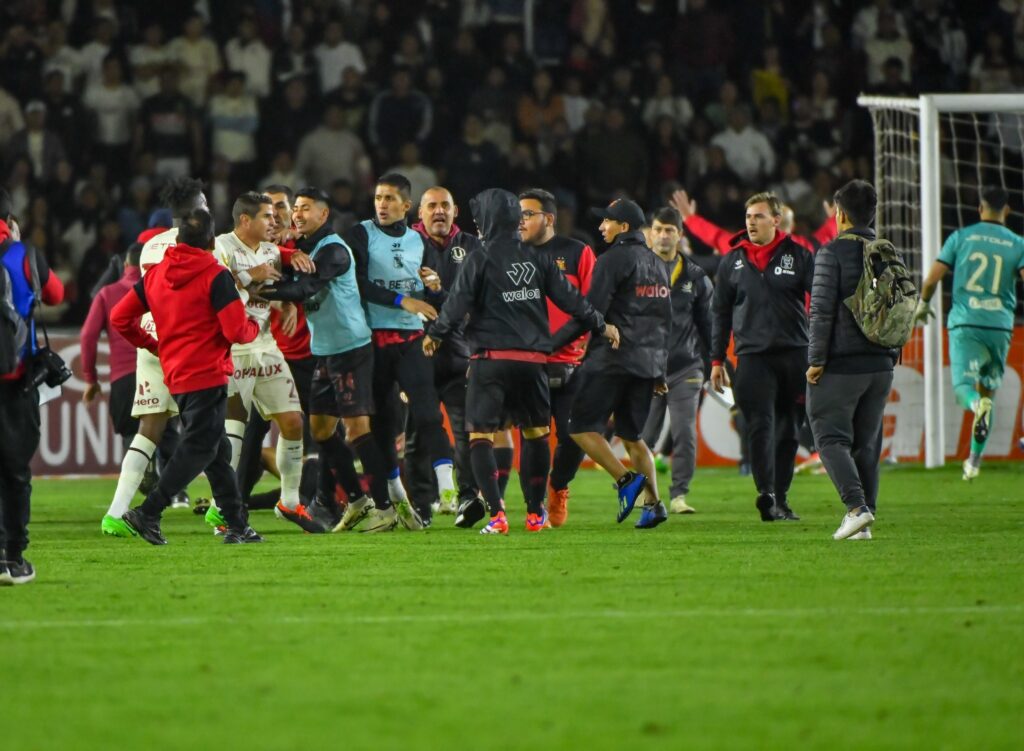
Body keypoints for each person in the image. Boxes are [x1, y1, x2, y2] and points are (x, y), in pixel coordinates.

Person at [423, 188, 616, 535]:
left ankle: (497, 515)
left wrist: (435, 334)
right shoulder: (538, 258)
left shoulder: (479, 257)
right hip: (533, 364)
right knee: (537, 435)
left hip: (491, 361)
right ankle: (534, 513)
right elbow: (574, 302)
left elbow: (456, 305)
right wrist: (601, 324)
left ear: (488, 219)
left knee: (480, 436)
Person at [110, 208, 262, 545]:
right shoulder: (215, 274)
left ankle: (237, 524)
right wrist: (254, 327)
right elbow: (236, 329)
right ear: (210, 240)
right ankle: (148, 512)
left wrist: (152, 345)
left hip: (176, 374)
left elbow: (120, 317)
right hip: (207, 374)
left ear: (177, 239)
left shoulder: (156, 274)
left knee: (217, 451)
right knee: (199, 447)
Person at [258, 187, 391, 533]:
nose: (298, 214)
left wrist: (251, 287)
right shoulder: (306, 248)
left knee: (358, 429)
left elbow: (304, 290)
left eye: (305, 208)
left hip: (351, 349)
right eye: (296, 208)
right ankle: (358, 502)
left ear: (324, 214)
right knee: (320, 430)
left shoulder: (333, 250)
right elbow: (286, 269)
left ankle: (385, 507)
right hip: (325, 351)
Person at [343, 173, 454, 532]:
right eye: (378, 198)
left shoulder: (418, 241)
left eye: (390, 199)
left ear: (407, 206)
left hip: (409, 338)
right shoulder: (361, 234)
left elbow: (426, 293)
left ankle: (448, 491)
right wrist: (400, 299)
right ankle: (397, 499)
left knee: (427, 412)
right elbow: (356, 282)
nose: (382, 204)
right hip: (371, 341)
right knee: (382, 426)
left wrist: (434, 289)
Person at [555, 198, 673, 529]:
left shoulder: (611, 260)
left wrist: (551, 345)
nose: (600, 227)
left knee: (579, 427)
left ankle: (625, 480)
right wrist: (660, 369)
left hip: (612, 360)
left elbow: (590, 312)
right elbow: (666, 321)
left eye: (606, 221)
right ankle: (654, 504)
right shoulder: (658, 264)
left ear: (623, 227)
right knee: (633, 436)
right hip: (647, 363)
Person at [101, 177, 206, 538]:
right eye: (204, 203)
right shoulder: (207, 246)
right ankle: (227, 513)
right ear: (196, 211)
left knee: (149, 429)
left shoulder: (149, 248)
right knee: (215, 428)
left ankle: (115, 512)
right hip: (190, 343)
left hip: (153, 342)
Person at [710, 192, 814, 522]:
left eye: (758, 216)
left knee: (789, 430)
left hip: (795, 355)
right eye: (748, 217)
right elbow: (720, 313)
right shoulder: (732, 261)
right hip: (752, 358)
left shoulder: (799, 255)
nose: (751, 222)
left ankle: (781, 497)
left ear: (776, 220)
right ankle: (766, 494)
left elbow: (821, 303)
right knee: (760, 425)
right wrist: (716, 360)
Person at [806, 180, 900, 541]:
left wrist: (816, 359)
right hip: (881, 365)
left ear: (839, 213)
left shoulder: (831, 253)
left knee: (830, 438)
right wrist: (892, 354)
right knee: (866, 443)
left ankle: (857, 509)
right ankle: (865, 520)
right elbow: (899, 307)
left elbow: (821, 311)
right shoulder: (888, 251)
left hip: (842, 365)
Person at [209, 192, 308, 531]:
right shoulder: (221, 246)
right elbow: (216, 288)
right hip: (232, 348)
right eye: (267, 216)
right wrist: (251, 273)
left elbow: (264, 291)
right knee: (233, 430)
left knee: (293, 421)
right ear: (245, 220)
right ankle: (222, 509)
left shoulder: (271, 251)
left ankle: (290, 502)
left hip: (266, 346)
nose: (275, 221)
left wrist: (286, 304)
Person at [915, 186, 1024, 480]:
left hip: (966, 323)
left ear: (980, 208)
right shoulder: (1018, 243)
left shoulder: (961, 237)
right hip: (1000, 326)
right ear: (1007, 211)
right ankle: (973, 463)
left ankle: (978, 406)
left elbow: (931, 279)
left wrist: (923, 304)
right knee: (989, 387)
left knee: (966, 389)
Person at [517, 188, 596, 527]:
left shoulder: (576, 252)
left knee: (574, 435)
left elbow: (593, 306)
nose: (519, 221)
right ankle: (534, 508)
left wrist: (588, 350)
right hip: (527, 362)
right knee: (530, 437)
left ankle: (558, 486)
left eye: (526, 214)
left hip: (572, 362)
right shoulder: (511, 254)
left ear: (548, 218)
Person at [0, 191, 65, 584]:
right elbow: (56, 295)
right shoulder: (23, 253)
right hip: (15, 381)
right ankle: (13, 558)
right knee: (14, 471)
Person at [408, 186, 483, 521]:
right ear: (420, 212)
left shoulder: (471, 247)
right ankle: (421, 504)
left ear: (455, 212)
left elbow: (478, 301)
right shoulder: (405, 244)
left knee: (465, 429)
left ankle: (468, 498)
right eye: (432, 206)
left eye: (445, 206)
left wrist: (440, 290)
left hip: (458, 352)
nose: (439, 212)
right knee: (416, 434)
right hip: (415, 353)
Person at [640, 207, 713, 515]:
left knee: (684, 431)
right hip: (647, 367)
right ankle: (647, 495)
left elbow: (708, 325)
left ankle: (679, 494)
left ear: (680, 235)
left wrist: (715, 364)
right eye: (659, 229)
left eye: (670, 230)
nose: (664, 235)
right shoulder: (637, 271)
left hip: (686, 367)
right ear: (650, 233)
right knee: (642, 437)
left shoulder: (695, 276)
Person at [81, 241, 142, 464]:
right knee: (165, 433)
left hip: (124, 379)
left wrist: (90, 379)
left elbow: (88, 335)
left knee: (131, 434)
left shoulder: (107, 294)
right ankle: (176, 493)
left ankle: (139, 477)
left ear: (125, 264)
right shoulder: (160, 289)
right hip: (160, 375)